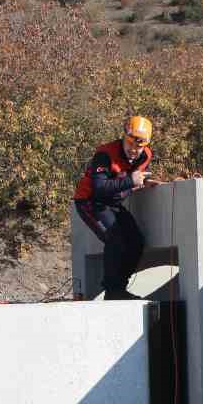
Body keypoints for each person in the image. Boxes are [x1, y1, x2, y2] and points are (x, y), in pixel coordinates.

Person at [74, 115, 162, 300]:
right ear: (124, 138)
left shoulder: (145, 156)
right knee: (115, 240)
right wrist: (131, 181)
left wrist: (143, 181)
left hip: (112, 203)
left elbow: (129, 178)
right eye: (130, 145)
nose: (134, 151)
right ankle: (112, 290)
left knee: (136, 241)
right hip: (90, 201)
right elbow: (100, 188)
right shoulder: (105, 155)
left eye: (139, 147)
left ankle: (120, 287)